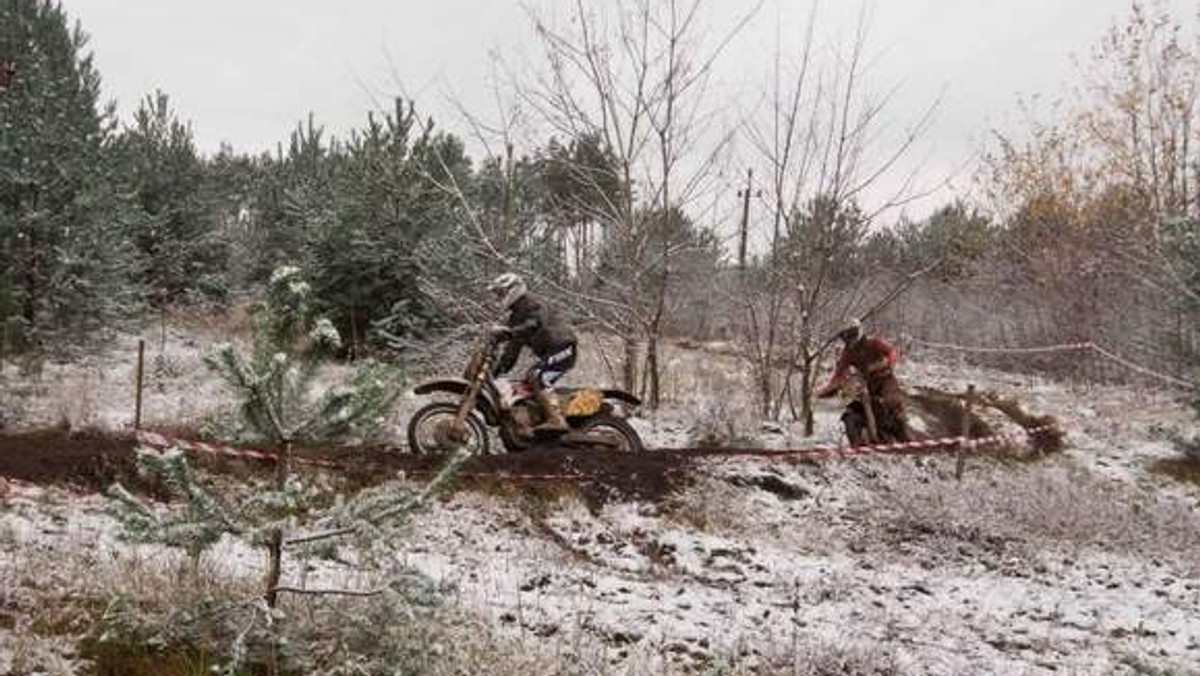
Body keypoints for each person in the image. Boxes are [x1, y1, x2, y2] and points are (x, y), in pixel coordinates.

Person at [486, 273, 578, 434]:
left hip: (564, 347)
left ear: (512, 290)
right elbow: (512, 350)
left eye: (501, 293)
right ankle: (538, 422)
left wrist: (510, 332)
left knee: (536, 376)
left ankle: (557, 420)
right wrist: (497, 371)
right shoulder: (515, 317)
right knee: (525, 386)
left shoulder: (533, 303)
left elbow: (534, 323)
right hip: (552, 351)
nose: (499, 298)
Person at [816, 319, 910, 444]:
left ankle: (905, 434)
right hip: (868, 384)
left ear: (858, 331)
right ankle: (863, 438)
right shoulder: (848, 353)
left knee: (891, 400)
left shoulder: (873, 343)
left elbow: (892, 352)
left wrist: (887, 363)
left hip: (885, 379)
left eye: (850, 334)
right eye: (845, 335)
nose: (848, 338)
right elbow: (839, 373)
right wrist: (826, 390)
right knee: (857, 406)